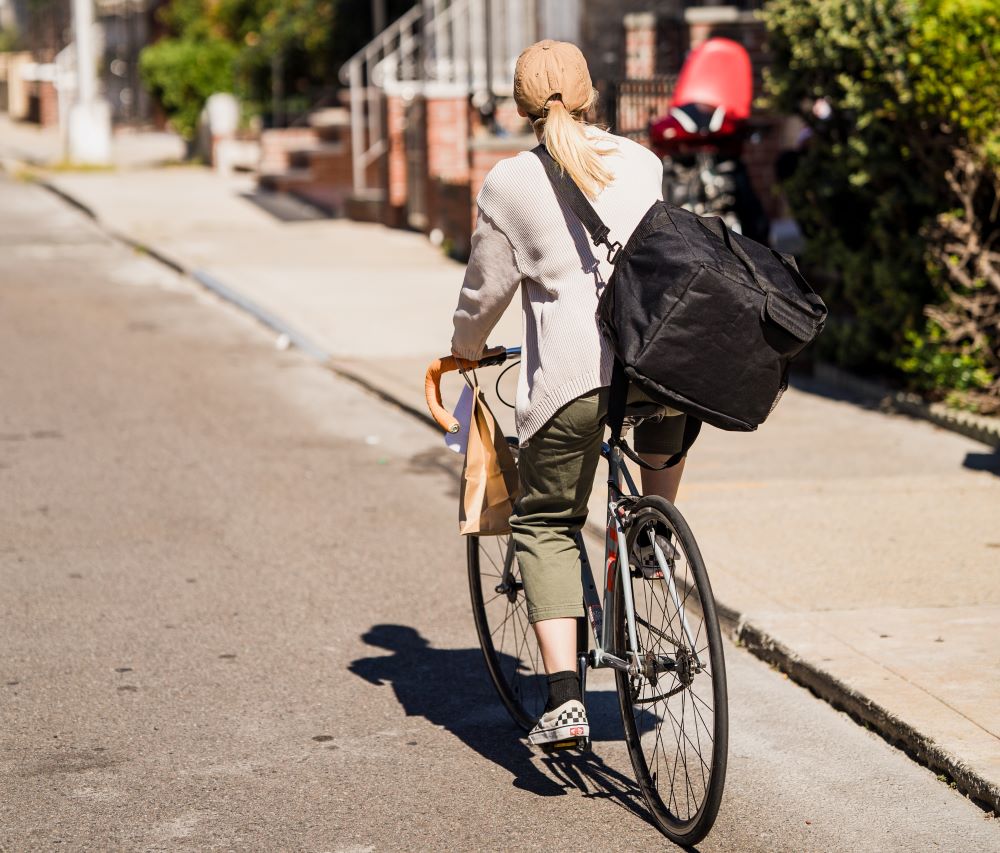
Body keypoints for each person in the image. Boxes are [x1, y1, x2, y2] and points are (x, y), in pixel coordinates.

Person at [450, 40, 688, 746]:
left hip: (576, 377)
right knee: (660, 419)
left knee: (545, 522)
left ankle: (565, 702)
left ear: (521, 106)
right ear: (592, 94)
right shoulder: (643, 162)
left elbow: (483, 294)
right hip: (664, 365)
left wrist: (463, 351)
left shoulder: (509, 184)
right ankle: (654, 525)